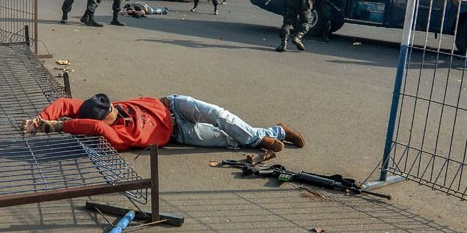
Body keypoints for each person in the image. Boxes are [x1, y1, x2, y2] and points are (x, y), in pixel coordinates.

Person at [20, 93, 306, 153]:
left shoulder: (98, 109)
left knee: (220, 115)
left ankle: (260, 139)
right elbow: (92, 126)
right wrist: (57, 127)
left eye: (112, 109)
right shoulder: (113, 135)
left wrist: (40, 119)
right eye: (110, 115)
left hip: (173, 104)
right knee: (228, 139)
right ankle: (276, 131)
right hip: (179, 133)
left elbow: (64, 102)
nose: (115, 112)